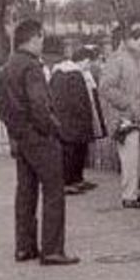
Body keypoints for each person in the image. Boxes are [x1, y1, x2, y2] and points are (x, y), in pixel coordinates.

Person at [0, 20, 79, 265]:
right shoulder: (32, 67)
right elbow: (40, 105)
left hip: (21, 137)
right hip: (40, 137)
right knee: (54, 190)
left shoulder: (8, 67)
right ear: (33, 38)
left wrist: (15, 129)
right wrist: (53, 128)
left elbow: (0, 104)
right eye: (41, 38)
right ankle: (52, 249)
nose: (42, 43)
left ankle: (24, 246)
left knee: (26, 191)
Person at [101, 27, 140, 209]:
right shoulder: (117, 59)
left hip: (137, 116)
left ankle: (133, 191)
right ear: (129, 41)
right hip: (124, 117)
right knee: (129, 157)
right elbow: (106, 87)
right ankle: (128, 195)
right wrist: (128, 104)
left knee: (138, 156)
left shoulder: (138, 61)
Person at [50, 47, 105, 195]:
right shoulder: (72, 73)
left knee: (78, 150)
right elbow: (78, 101)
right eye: (88, 62)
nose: (89, 66)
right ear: (84, 60)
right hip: (72, 121)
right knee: (71, 152)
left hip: (70, 121)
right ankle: (68, 182)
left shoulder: (63, 73)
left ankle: (76, 179)